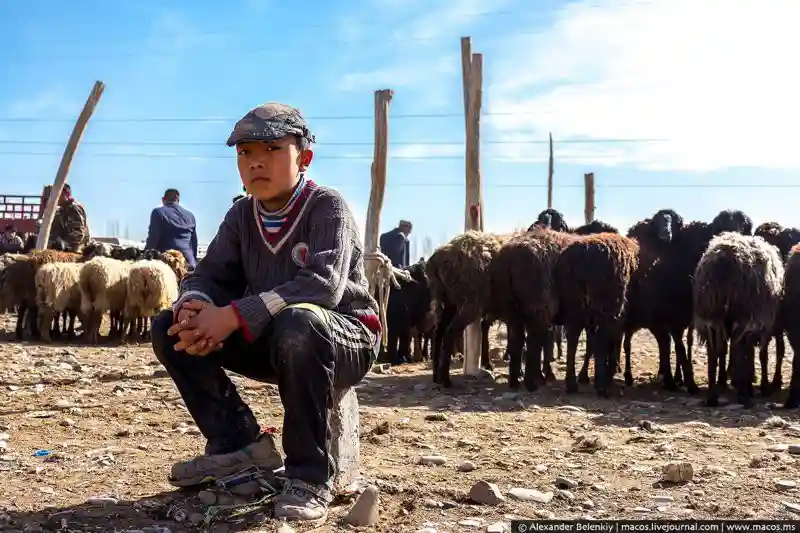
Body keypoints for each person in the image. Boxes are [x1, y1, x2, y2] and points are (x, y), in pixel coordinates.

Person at [150, 103, 381, 526]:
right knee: (168, 326)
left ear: (304, 157)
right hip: (275, 338)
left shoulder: (326, 206)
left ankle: (309, 476)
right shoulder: (242, 215)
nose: (256, 161)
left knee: (302, 321)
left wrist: (235, 315)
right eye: (244, 152)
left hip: (342, 336)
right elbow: (208, 273)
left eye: (272, 148)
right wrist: (194, 306)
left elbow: (323, 286)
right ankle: (237, 445)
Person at [145, 188, 199, 269]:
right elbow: (194, 243)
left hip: (168, 264)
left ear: (163, 200)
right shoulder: (190, 216)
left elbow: (153, 238)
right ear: (178, 200)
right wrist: (193, 261)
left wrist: (144, 256)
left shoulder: (158, 212)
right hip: (188, 263)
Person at [48, 184, 90, 252]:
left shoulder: (74, 208)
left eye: (58, 194)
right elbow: (54, 232)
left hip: (77, 249)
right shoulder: (60, 212)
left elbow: (79, 233)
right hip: (63, 248)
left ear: (66, 194)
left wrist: (64, 244)